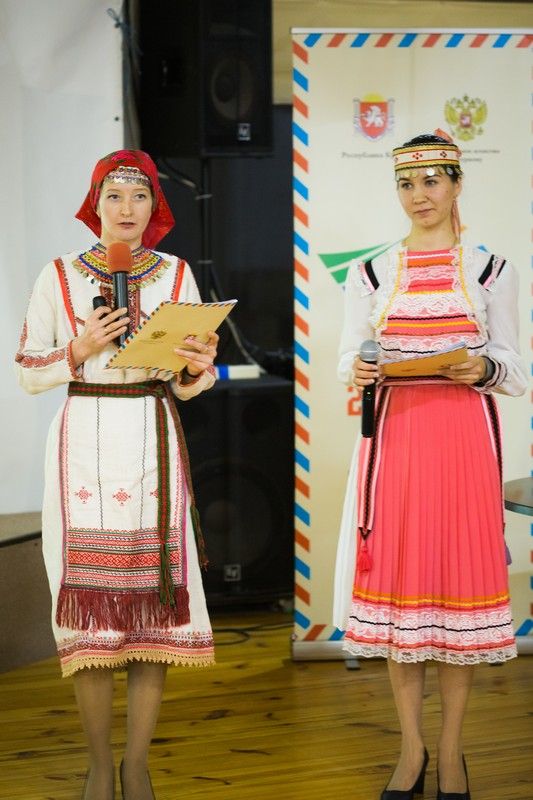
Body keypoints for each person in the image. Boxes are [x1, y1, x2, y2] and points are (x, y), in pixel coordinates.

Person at [15, 150, 218, 800]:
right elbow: (27, 371)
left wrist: (195, 365)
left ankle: (136, 764)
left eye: (139, 196)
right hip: (83, 444)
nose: (126, 208)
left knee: (152, 616)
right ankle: (100, 765)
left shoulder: (177, 273)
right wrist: (81, 347)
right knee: (92, 623)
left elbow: (190, 382)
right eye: (114, 195)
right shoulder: (58, 275)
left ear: (155, 206)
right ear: (94, 205)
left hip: (152, 439)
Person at [333, 132, 526, 800]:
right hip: (395, 441)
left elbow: (515, 368)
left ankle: (450, 753)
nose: (419, 196)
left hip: (463, 439)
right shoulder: (370, 272)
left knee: (454, 594)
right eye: (406, 184)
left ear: (456, 183)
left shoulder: (490, 269)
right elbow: (347, 357)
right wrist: (359, 368)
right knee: (403, 598)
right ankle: (411, 749)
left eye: (431, 181)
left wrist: (482, 367)